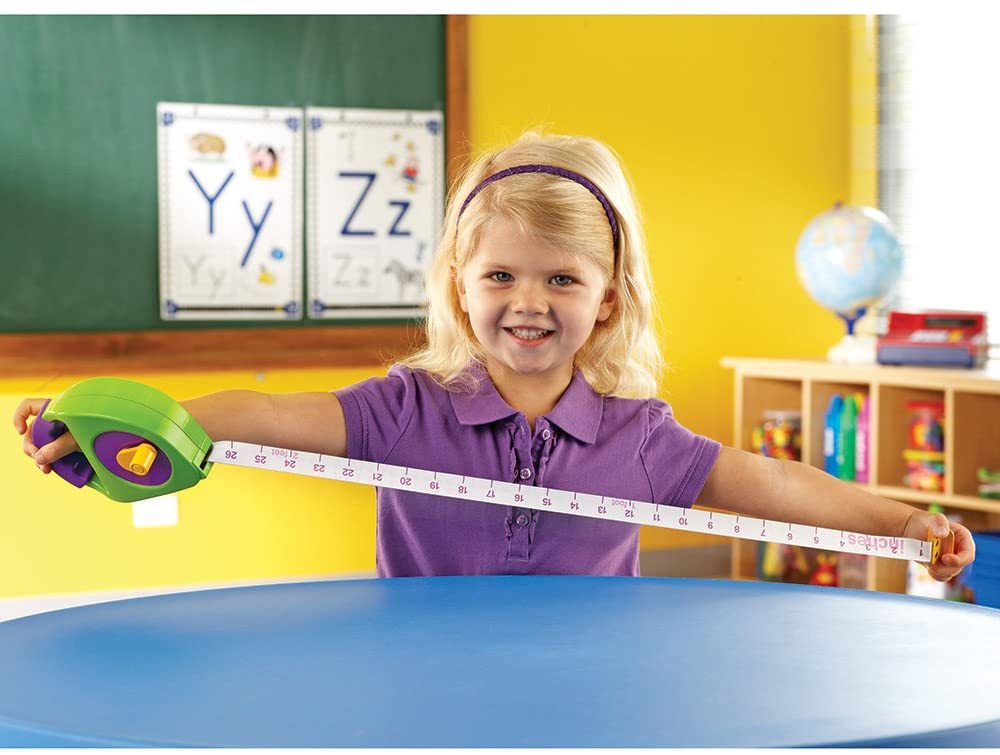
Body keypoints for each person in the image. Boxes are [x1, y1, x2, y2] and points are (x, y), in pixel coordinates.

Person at [14, 130, 975, 581]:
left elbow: (770, 483)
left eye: (561, 281)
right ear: (458, 286)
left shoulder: (640, 439)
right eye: (502, 276)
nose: (527, 302)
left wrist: (905, 519)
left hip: (590, 707)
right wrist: (128, 416)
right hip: (423, 705)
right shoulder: (403, 411)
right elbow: (263, 419)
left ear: (608, 300)